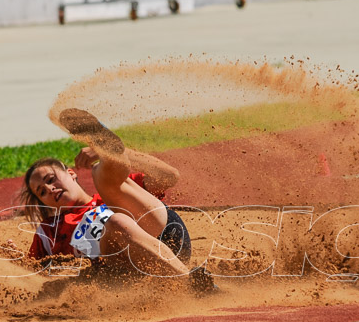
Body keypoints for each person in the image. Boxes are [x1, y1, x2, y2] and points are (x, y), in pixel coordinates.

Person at [16, 108, 214, 291]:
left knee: (102, 174)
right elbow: (30, 272)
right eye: (42, 192)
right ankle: (190, 283)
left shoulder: (112, 195)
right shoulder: (49, 230)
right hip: (123, 272)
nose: (50, 189)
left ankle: (110, 151)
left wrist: (114, 152)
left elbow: (170, 177)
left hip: (165, 238)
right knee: (117, 221)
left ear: (71, 174)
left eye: (51, 180)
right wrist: (12, 258)